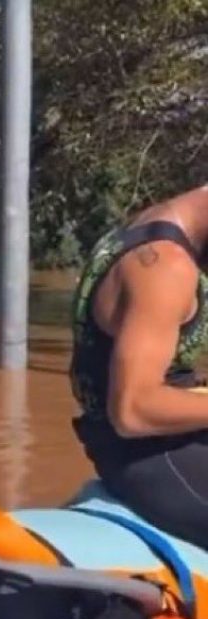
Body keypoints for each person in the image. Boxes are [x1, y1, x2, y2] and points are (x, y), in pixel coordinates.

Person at [69, 184, 208, 551]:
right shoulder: (165, 266)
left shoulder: (149, 225)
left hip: (159, 440)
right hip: (146, 454)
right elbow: (132, 410)